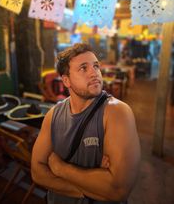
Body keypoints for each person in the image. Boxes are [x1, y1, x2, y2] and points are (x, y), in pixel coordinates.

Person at [31, 43, 141, 204]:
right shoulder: (53, 115)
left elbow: (118, 190)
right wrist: (94, 187)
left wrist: (60, 168)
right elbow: (37, 172)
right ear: (66, 81)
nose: (94, 73)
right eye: (83, 68)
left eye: (96, 66)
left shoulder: (117, 112)